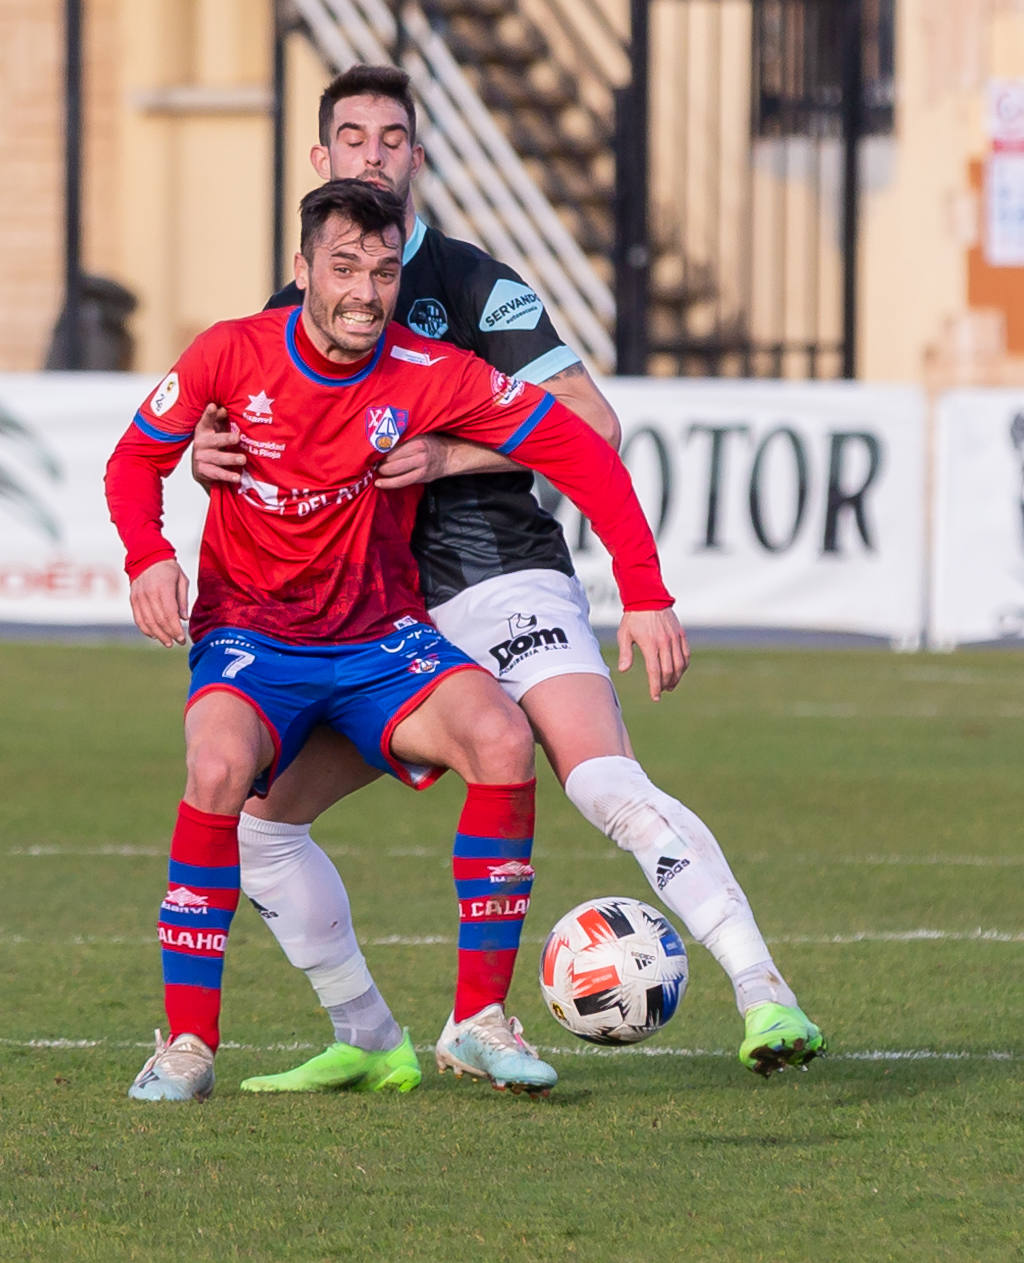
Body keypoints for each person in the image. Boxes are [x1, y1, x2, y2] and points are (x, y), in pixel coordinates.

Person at [195, 65, 825, 1091]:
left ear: (417, 156)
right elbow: (236, 435)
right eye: (351, 137)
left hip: (498, 577)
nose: (372, 155)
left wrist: (448, 457)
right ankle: (370, 1036)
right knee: (262, 826)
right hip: (376, 618)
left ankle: (763, 994)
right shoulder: (290, 308)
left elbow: (593, 423)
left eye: (392, 138)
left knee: (603, 781)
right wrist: (204, 455)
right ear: (320, 162)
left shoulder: (474, 284)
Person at [105, 179, 688, 1102]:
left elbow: (579, 448)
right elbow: (136, 457)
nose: (363, 292)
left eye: (381, 270)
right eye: (342, 267)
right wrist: (148, 554)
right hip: (253, 635)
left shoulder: (428, 368)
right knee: (216, 770)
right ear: (301, 272)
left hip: (383, 640)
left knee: (501, 738)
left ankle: (482, 1022)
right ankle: (187, 1044)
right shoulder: (230, 352)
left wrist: (645, 592)